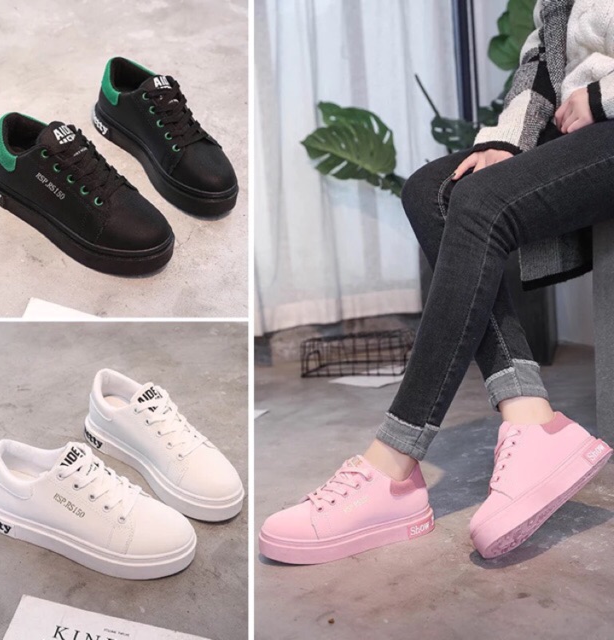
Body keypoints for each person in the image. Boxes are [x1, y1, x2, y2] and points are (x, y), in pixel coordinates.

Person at [259, 0, 614, 563]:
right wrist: (505, 140)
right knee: (435, 191)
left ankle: (392, 464)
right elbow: (544, 54)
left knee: (480, 203)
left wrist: (601, 97)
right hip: (581, 126)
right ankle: (531, 418)